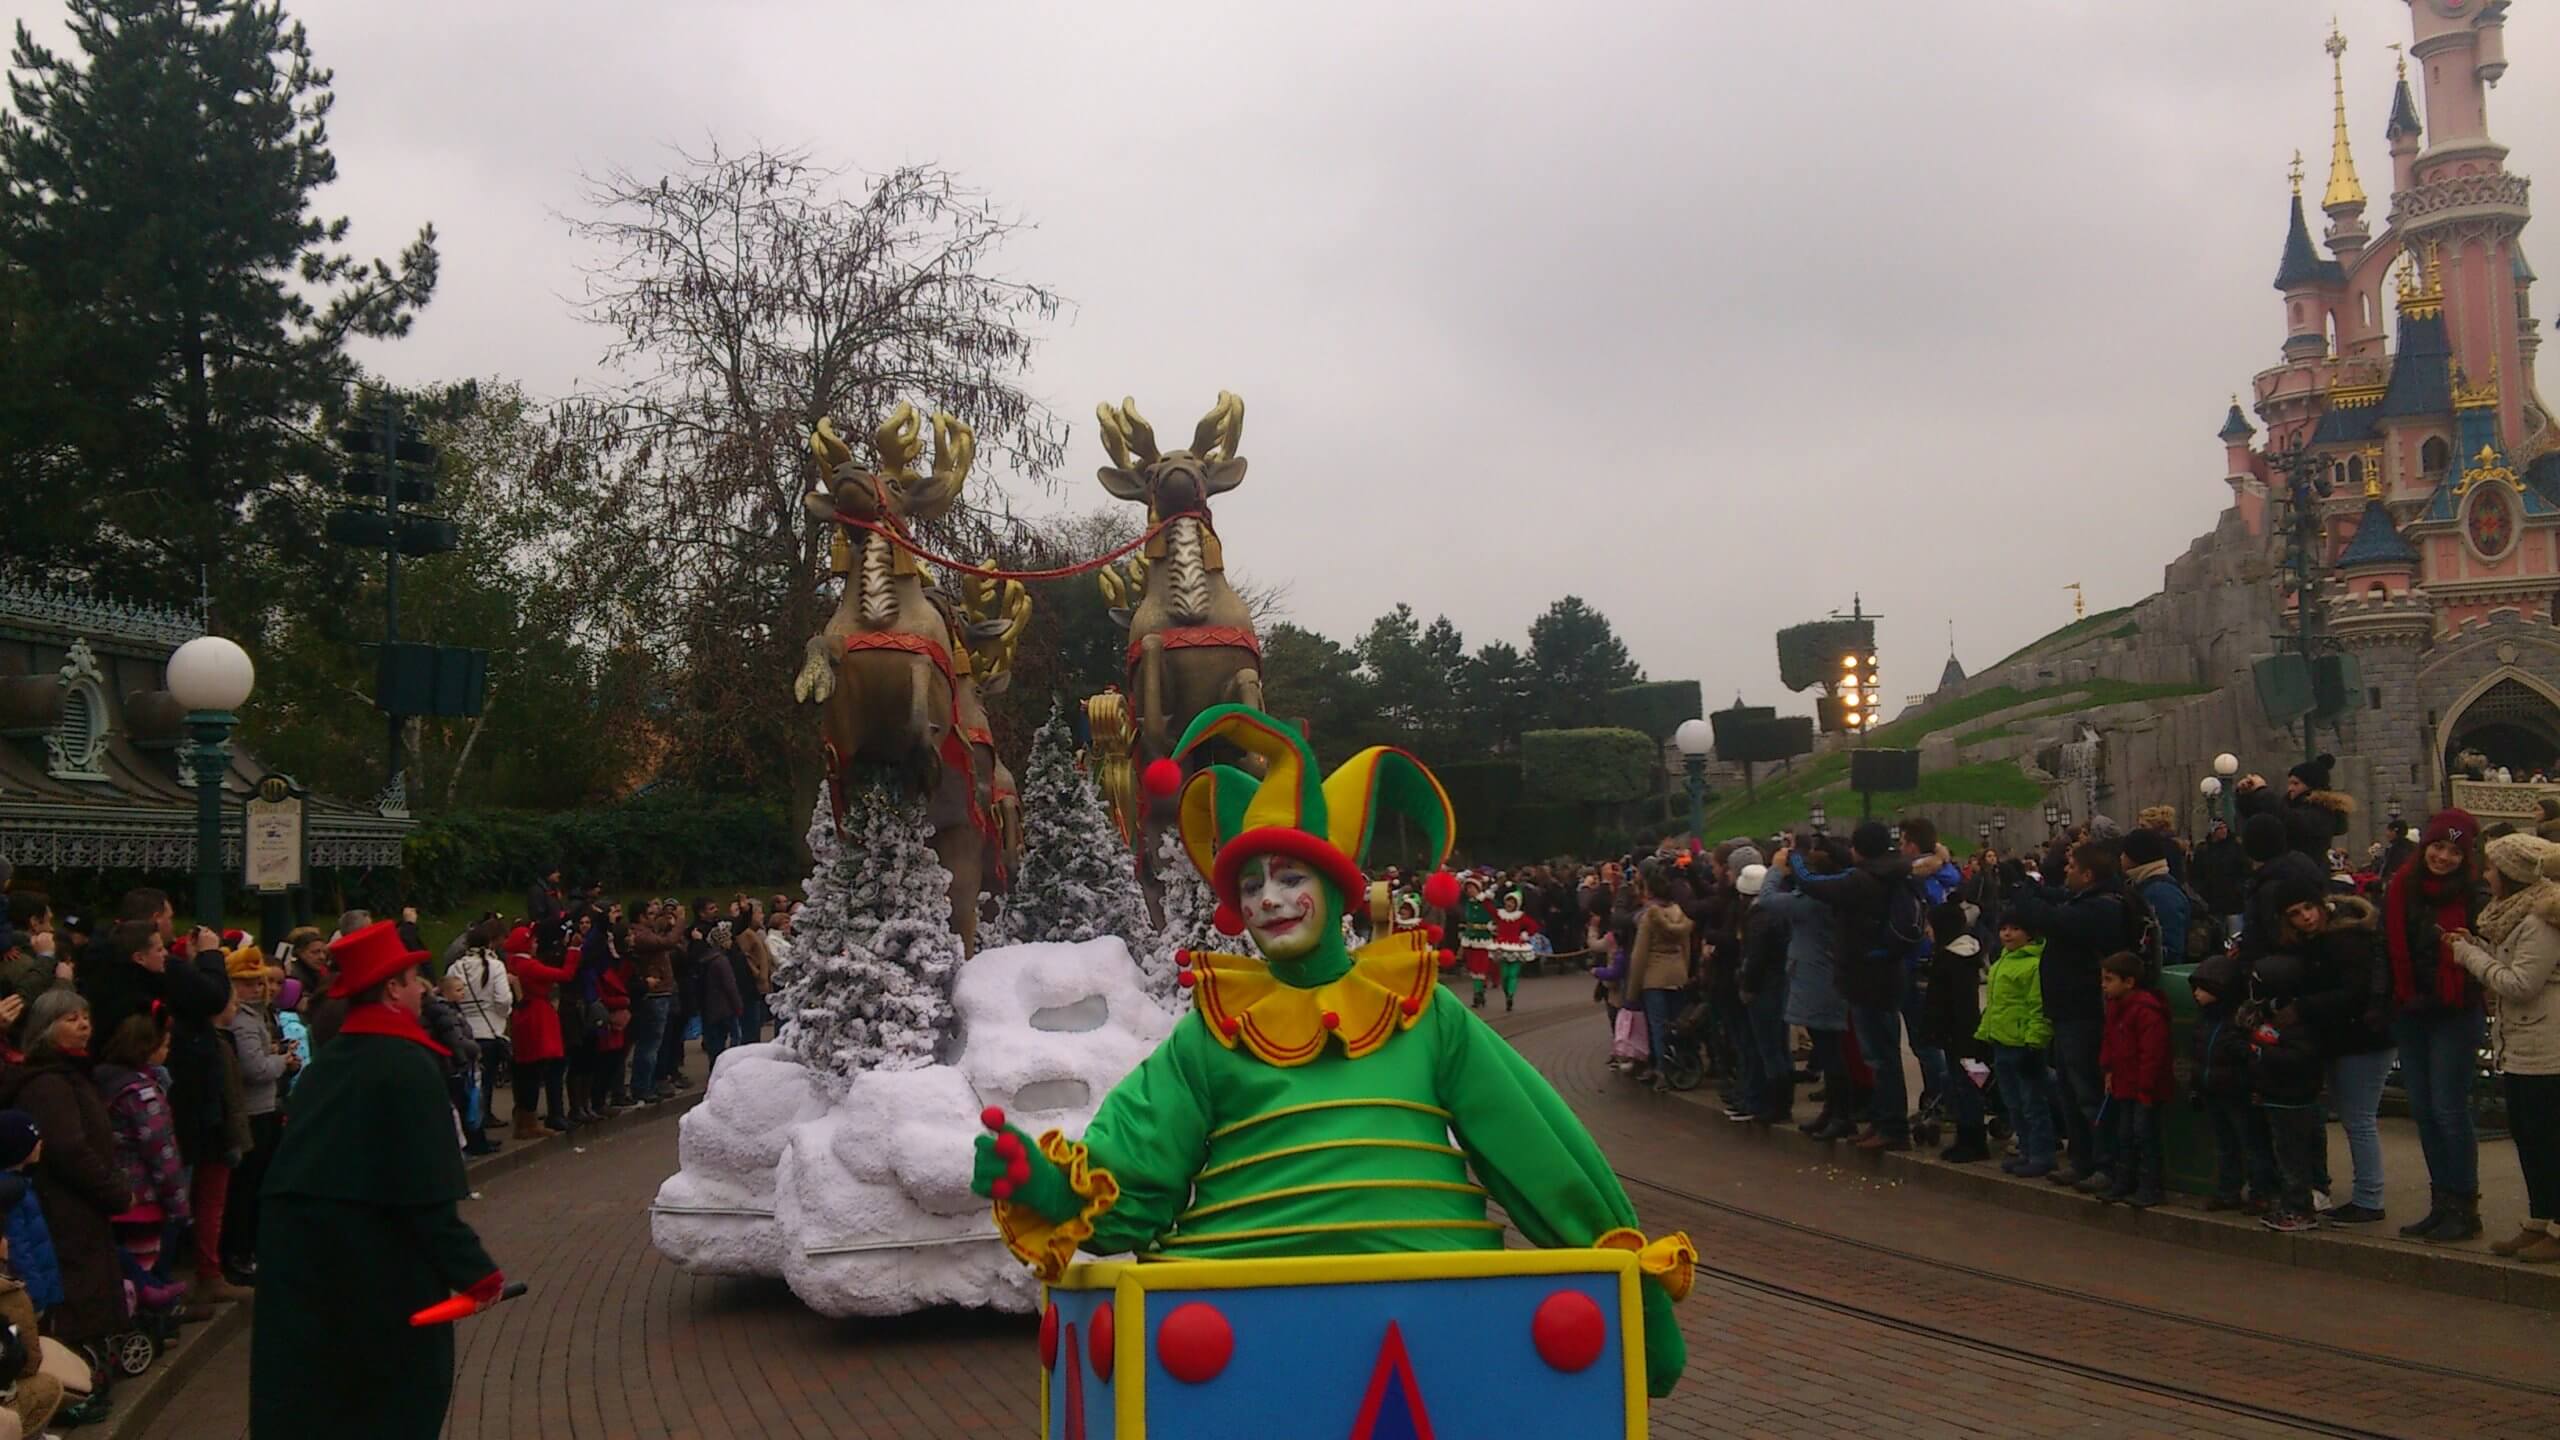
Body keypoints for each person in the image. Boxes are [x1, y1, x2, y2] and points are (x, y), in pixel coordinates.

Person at [967, 705, 1694, 1398]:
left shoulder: (1420, 1009)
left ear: (1336, 888)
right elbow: (1137, 1169)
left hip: (1433, 1303)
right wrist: (1047, 1186)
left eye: (1291, 877)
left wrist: (1623, 1265)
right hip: (1234, 1321)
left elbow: (1529, 1140)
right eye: (1251, 884)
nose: (1269, 899)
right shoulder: (1213, 1030)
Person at [250, 921, 503, 1439]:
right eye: (412, 979)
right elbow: (425, 1196)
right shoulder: (408, 1066)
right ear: (391, 989)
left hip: (305, 1278)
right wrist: (477, 1273)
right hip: (381, 1280)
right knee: (391, 1406)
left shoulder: (328, 1065)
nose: (423, 989)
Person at [2444, 833, 2560, 1262]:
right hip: (2522, 1044)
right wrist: (2476, 946)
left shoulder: (2540, 921)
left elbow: (2521, 983)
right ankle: (2539, 1221)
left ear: (2510, 874)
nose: (2485, 874)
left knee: (2548, 1141)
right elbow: (2509, 962)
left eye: (2492, 867)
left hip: (2547, 1046)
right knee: (2529, 1139)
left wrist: (2468, 956)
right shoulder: (2512, 914)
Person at [0, 990, 132, 1363]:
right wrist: (114, 1191)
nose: (84, 1025)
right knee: (78, 1289)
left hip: (81, 1203)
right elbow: (68, 1149)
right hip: (66, 1205)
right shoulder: (48, 1083)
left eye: (85, 1017)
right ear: (46, 1028)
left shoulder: (71, 1074)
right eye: (71, 1019)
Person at [2006, 841, 2138, 1185]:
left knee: (2088, 1093)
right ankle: (2082, 1161)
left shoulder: (2101, 908)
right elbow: (2053, 899)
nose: (2066, 871)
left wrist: (2021, 891)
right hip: (2067, 1012)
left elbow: (2046, 918)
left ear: (2088, 874)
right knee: (2069, 1091)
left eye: (2071, 867)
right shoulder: (2086, 900)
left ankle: (2106, 1165)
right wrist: (2030, 885)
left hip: (2085, 1012)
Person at [2385, 809, 2490, 1242]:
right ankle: (2441, 1202)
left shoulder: (2475, 894)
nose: (2444, 857)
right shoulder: (2401, 887)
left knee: (2449, 1108)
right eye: (2438, 847)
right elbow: (2387, 946)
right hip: (2410, 1009)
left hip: (2455, 1010)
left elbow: (2490, 949)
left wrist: (2469, 945)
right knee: (2424, 1110)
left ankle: (2464, 1206)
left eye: (2454, 851)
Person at [1781, 822, 1915, 1151]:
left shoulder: (1860, 882)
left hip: (1867, 977)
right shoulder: (1891, 870)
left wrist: (1796, 855)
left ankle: (1893, 1128)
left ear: (1860, 849)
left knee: (1881, 1057)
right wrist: (1826, 845)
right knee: (1881, 1054)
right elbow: (1852, 863)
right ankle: (1882, 1121)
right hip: (1885, 973)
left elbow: (1811, 882)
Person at [2285, 879, 2394, 1225]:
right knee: (2356, 1118)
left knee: (2359, 1119)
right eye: (2295, 914)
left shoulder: (2346, 939)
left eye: (2307, 908)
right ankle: (2367, 1195)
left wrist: (2302, 1007)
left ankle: (2370, 1198)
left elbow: (2352, 993)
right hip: (2354, 1038)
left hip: (2363, 1039)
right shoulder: (2333, 937)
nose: (2305, 917)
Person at [94, 1012, 191, 1315]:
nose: (168, 1052)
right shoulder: (143, 1094)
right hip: (143, 1200)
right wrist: (179, 1205)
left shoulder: (97, 1082)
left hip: (109, 1195)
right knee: (142, 1284)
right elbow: (162, 1152)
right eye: (165, 1045)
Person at [1761, 836, 1852, 1140]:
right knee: (1828, 1049)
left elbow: (1768, 900)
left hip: (1818, 980)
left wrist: (1776, 869)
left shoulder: (1812, 901)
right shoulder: (1829, 896)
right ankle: (1833, 1111)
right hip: (1822, 977)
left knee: (1830, 1050)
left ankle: (1841, 1114)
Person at [222, 944, 298, 1276]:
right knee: (247, 1188)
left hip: (264, 1108)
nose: (258, 988)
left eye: (259, 982)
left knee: (255, 1185)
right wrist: (282, 1061)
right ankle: (241, 1251)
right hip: (255, 1112)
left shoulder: (254, 1017)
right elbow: (254, 1069)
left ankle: (250, 1247)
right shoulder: (243, 1021)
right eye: (248, 983)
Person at [2189, 951, 2279, 1214]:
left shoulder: (2238, 1022)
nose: (2196, 994)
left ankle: (2260, 1192)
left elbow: (2250, 1058)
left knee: (2251, 1144)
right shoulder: (2206, 1020)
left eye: (2202, 989)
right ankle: (2228, 1191)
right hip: (2213, 1089)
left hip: (2237, 1091)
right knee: (2225, 1145)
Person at [2244, 950, 2327, 1233]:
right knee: (2286, 1154)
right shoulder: (2273, 1014)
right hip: (2277, 1094)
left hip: (2292, 1097)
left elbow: (2299, 1058)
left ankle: (2299, 1210)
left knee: (2293, 1158)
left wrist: (2262, 1053)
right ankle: (2293, 1205)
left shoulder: (2297, 1023)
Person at [2089, 951, 2171, 1207]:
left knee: (2144, 1136)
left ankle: (2150, 1186)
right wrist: (2108, 1071)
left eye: (2109, 979)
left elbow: (2152, 1054)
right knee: (2124, 1135)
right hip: (2123, 1084)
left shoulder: (2146, 1012)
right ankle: (2125, 1181)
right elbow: (2109, 1041)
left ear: (2129, 982)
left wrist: (2145, 1087)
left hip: (2144, 1088)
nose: (2104, 985)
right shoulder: (2115, 1007)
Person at [1978, 909, 2057, 1177]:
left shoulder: (2034, 965)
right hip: (2001, 1042)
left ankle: (2042, 1154)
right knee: (2013, 1103)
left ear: (2030, 934)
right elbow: (1995, 1005)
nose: (2007, 934)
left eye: (2015, 929)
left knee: (2032, 1103)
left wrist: (2035, 1042)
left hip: (2024, 1045)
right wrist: (1984, 1033)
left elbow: (2038, 1007)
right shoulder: (2002, 961)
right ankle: (2025, 1149)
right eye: (2004, 929)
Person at [1924, 895, 1990, 1163]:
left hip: (1961, 1037)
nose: (1927, 932)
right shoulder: (1956, 957)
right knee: (1961, 1085)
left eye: (1930, 926)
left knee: (1967, 1087)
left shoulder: (1953, 961)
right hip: (1957, 1035)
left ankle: (1973, 1139)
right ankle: (1966, 1136)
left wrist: (1946, 1031)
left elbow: (1957, 1004)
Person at [1624, 863, 1695, 1095]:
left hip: (1654, 976)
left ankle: (1662, 1070)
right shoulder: (1680, 914)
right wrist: (1685, 971)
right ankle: (1680, 1065)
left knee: (1657, 1026)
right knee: (1677, 1024)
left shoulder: (1648, 917)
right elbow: (1686, 947)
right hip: (1677, 973)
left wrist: (1633, 989)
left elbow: (1640, 954)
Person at [504, 924, 578, 1139]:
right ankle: (528, 1123)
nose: (536, 945)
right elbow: (565, 974)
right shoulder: (529, 965)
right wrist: (573, 951)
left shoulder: (512, 963)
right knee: (533, 1070)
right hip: (536, 1016)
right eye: (533, 942)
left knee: (525, 1071)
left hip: (524, 1016)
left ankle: (525, 1119)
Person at [447, 920, 514, 1153]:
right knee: (483, 1087)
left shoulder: (456, 967)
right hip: (489, 1031)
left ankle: (470, 1136)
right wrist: (501, 1016)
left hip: (464, 1033)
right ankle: (479, 1137)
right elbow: (503, 999)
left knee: (467, 1088)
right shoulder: (495, 966)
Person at [625, 902, 679, 1102]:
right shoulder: (641, 935)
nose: (653, 917)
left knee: (655, 1043)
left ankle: (650, 1083)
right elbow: (668, 942)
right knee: (649, 1044)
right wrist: (680, 921)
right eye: (649, 914)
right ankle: (642, 1086)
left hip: (661, 992)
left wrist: (668, 921)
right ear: (640, 917)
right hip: (654, 994)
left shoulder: (648, 932)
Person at [2192, 820, 2249, 941]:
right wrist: (2203, 892)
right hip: (2213, 902)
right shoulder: (2204, 850)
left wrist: (2239, 889)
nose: (2223, 831)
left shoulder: (2236, 848)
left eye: (2225, 827)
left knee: (2236, 935)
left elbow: (2244, 870)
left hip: (2234, 901)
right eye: (2220, 828)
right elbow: (2196, 874)